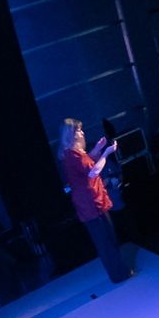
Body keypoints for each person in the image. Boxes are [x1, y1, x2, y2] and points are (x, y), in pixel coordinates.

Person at [59, 119, 132, 283]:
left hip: (96, 200)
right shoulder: (71, 155)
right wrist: (106, 153)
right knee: (105, 243)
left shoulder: (77, 152)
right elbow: (92, 172)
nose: (82, 133)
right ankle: (119, 274)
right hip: (89, 205)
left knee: (110, 239)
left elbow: (88, 162)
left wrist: (98, 149)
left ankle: (121, 271)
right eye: (78, 131)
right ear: (71, 135)